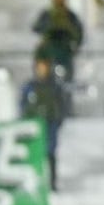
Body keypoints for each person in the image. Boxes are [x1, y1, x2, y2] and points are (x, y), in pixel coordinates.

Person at [20, 56, 67, 192]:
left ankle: (52, 183)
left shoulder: (54, 86)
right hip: (34, 125)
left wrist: (58, 121)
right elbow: (23, 105)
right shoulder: (30, 86)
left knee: (50, 153)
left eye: (45, 67)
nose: (43, 70)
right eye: (40, 67)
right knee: (35, 154)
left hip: (50, 123)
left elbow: (61, 105)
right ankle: (35, 183)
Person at [32, 0, 83, 82]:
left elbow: (79, 33)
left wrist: (75, 46)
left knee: (66, 78)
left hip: (63, 50)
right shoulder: (47, 14)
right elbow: (36, 27)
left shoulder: (70, 16)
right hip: (49, 50)